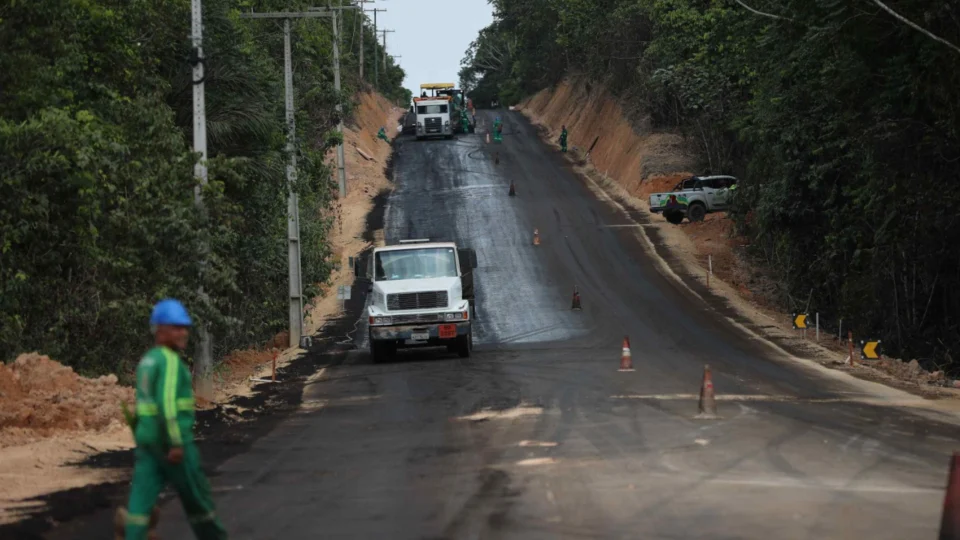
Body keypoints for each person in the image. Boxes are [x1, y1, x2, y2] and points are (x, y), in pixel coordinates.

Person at [120, 299, 227, 540]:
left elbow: (141, 407)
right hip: (172, 445)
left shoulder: (147, 361)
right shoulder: (169, 361)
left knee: (140, 505)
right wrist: (176, 442)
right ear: (161, 329)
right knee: (198, 500)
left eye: (185, 327)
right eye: (177, 327)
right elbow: (166, 404)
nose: (183, 333)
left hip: (148, 445)